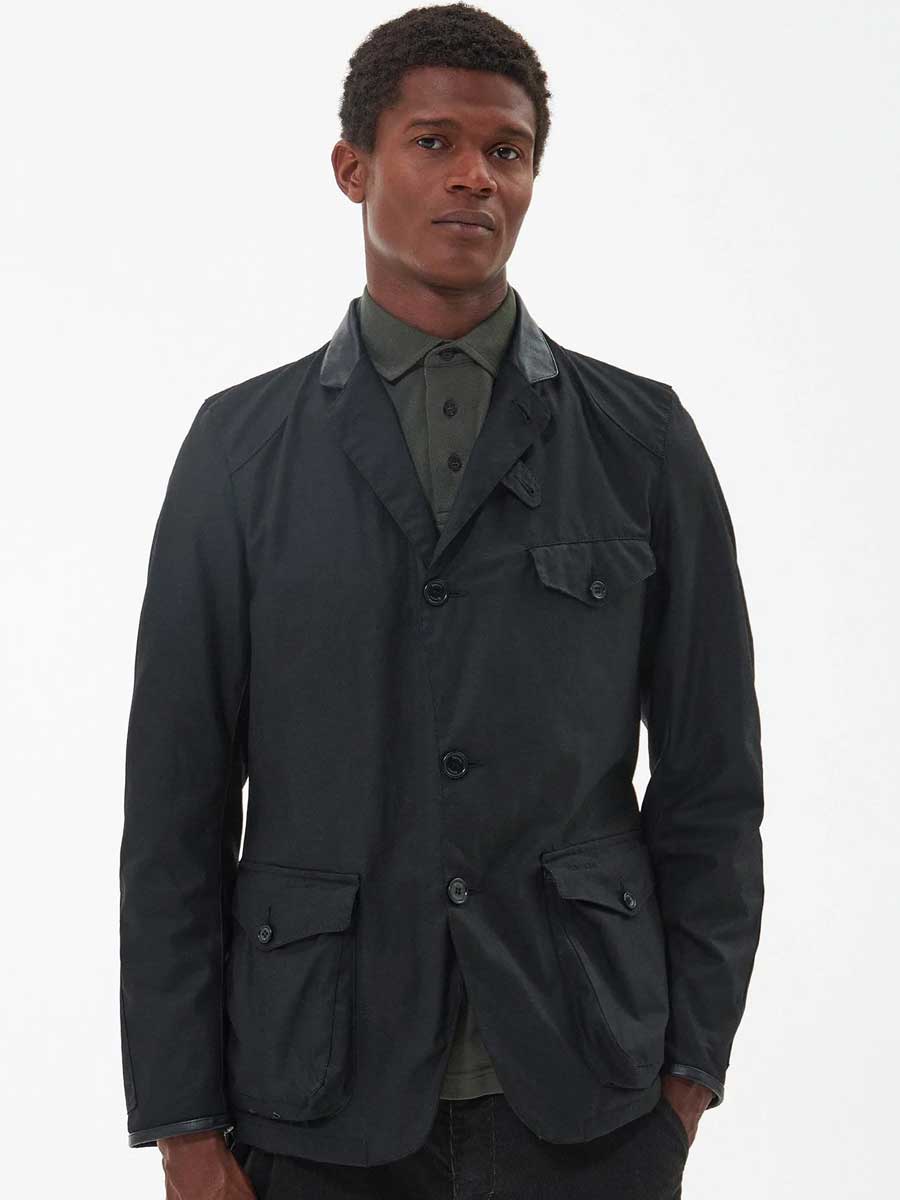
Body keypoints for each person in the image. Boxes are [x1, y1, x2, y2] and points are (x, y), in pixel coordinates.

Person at [118, 4, 765, 1197]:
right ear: (352, 168)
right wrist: (184, 1127)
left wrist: (689, 1074)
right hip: (312, 1094)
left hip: (591, 1090)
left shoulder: (641, 442)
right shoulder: (239, 451)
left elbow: (713, 785)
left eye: (507, 151)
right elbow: (175, 811)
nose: (477, 176)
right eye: (435, 143)